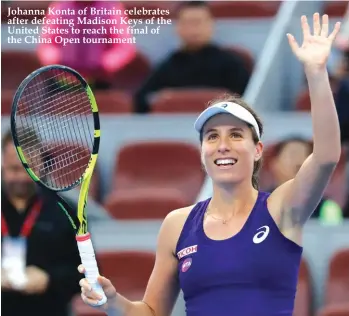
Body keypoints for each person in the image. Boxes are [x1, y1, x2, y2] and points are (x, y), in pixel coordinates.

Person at [79, 13, 342, 315]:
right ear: (203, 152)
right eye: (212, 136)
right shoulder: (177, 225)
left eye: (235, 134)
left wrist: (317, 73)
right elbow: (151, 312)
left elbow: (325, 156)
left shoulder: (281, 208)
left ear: (257, 150)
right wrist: (113, 302)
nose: (223, 145)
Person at [1, 129, 81, 316]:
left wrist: (49, 279)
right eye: (14, 169)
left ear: (42, 166)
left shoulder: (64, 210)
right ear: (2, 165)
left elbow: (87, 273)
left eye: (29, 169)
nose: (22, 177)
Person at [133, 1, 250, 113]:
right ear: (177, 28)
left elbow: (248, 101)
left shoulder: (232, 64)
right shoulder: (168, 66)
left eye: (198, 22)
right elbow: (142, 101)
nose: (194, 29)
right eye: (187, 23)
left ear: (211, 25)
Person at [37, 1, 136, 90]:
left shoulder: (111, 7)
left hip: (99, 81)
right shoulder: (60, 6)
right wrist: (59, 63)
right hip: (62, 81)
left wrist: (104, 65)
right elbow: (46, 45)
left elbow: (124, 47)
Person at [268, 136, 343, 224]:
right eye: (293, 155)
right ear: (274, 164)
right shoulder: (257, 204)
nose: (299, 161)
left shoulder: (327, 208)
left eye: (306, 155)